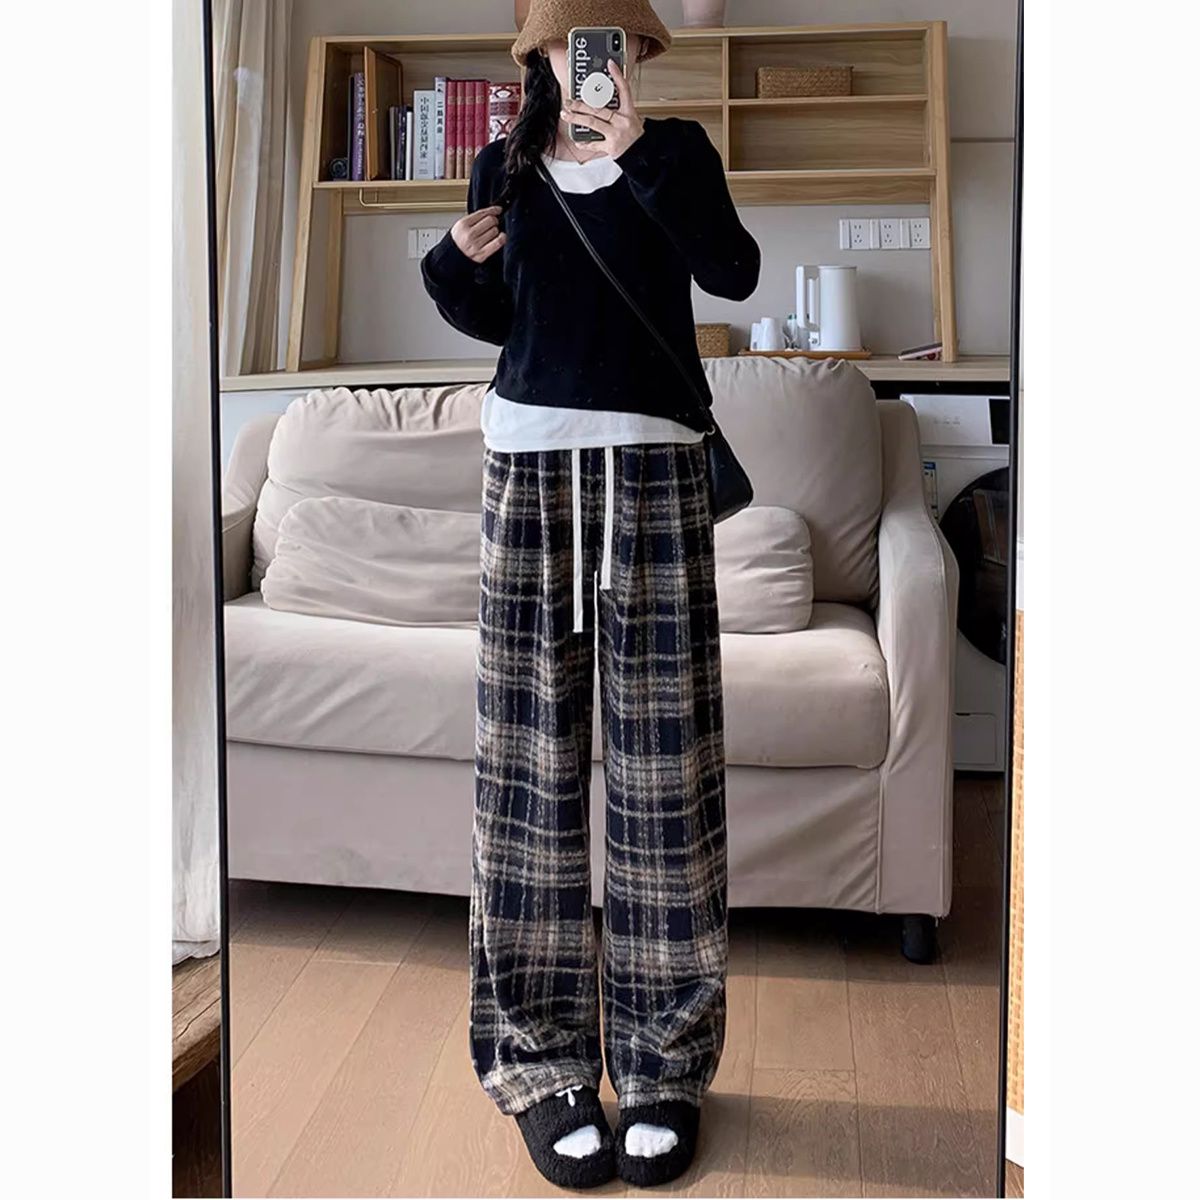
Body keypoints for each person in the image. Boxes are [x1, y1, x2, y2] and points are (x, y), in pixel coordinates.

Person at [420, 0, 761, 1187]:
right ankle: (543, 1062)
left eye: (608, 45)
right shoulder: (502, 163)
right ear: (540, 57)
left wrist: (647, 159)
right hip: (527, 466)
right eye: (573, 45)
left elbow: (732, 273)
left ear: (637, 56)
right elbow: (499, 320)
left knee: (667, 772)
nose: (591, 65)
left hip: (654, 467)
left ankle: (666, 1065)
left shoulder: (678, 151)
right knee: (528, 768)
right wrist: (449, 266)